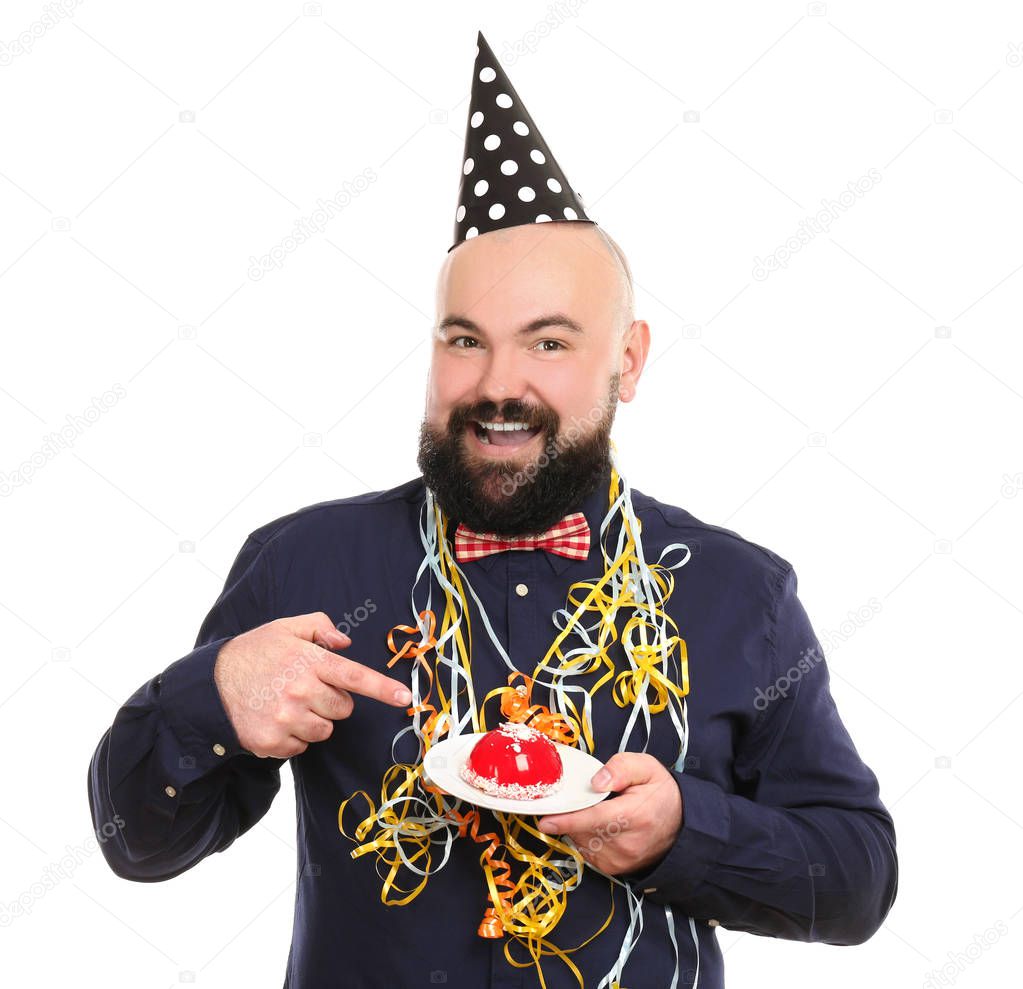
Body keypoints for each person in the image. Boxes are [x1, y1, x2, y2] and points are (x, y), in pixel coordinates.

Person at [87, 31, 897, 989]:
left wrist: (687, 829)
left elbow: (855, 882)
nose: (497, 383)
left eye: (548, 342)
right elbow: (137, 844)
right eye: (465, 339)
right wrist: (212, 694)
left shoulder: (737, 592)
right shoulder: (302, 564)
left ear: (627, 359)